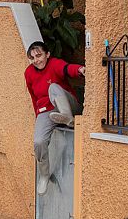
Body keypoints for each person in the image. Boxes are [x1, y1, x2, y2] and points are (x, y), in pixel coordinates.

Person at [24, 41, 85, 195]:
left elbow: (66, 68)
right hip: (47, 112)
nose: (36, 60)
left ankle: (67, 118)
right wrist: (38, 117)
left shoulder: (54, 64)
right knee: (39, 141)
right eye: (32, 58)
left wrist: (79, 69)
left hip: (68, 104)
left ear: (47, 54)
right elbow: (33, 97)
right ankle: (44, 175)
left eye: (39, 55)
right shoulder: (29, 73)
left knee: (53, 88)